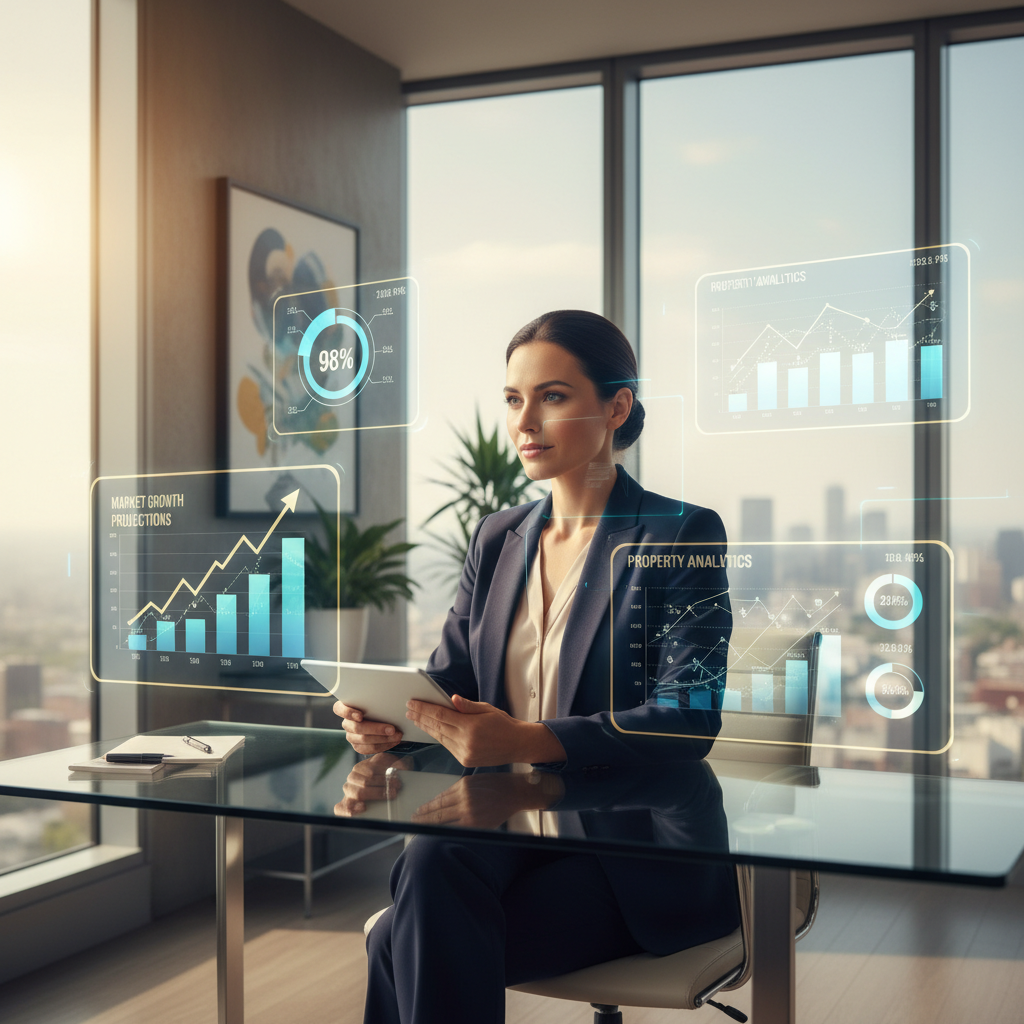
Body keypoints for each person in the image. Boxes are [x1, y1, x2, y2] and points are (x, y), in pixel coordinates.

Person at [334, 310, 738, 1024]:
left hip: (630, 855)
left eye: (552, 396)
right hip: (506, 828)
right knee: (432, 864)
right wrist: (394, 721)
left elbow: (689, 718)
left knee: (401, 941)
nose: (525, 422)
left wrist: (527, 741)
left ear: (616, 406)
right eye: (515, 399)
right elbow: (453, 680)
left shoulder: (680, 532)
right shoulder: (497, 538)